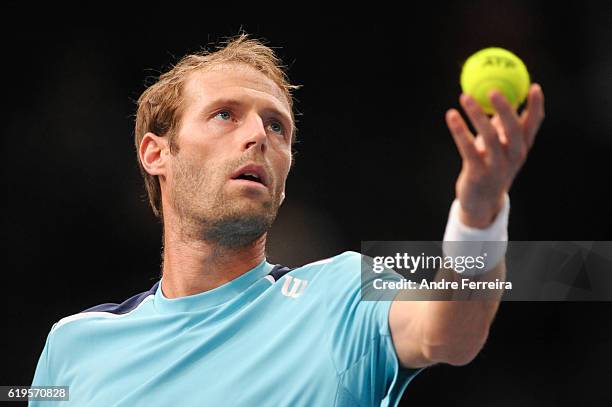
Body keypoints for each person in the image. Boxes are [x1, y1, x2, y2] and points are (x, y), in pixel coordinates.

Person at [30, 34, 545, 406]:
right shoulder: (74, 347)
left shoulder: (342, 292)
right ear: (156, 153)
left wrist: (479, 215)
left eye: (277, 126)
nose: (257, 135)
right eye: (225, 114)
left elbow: (453, 332)